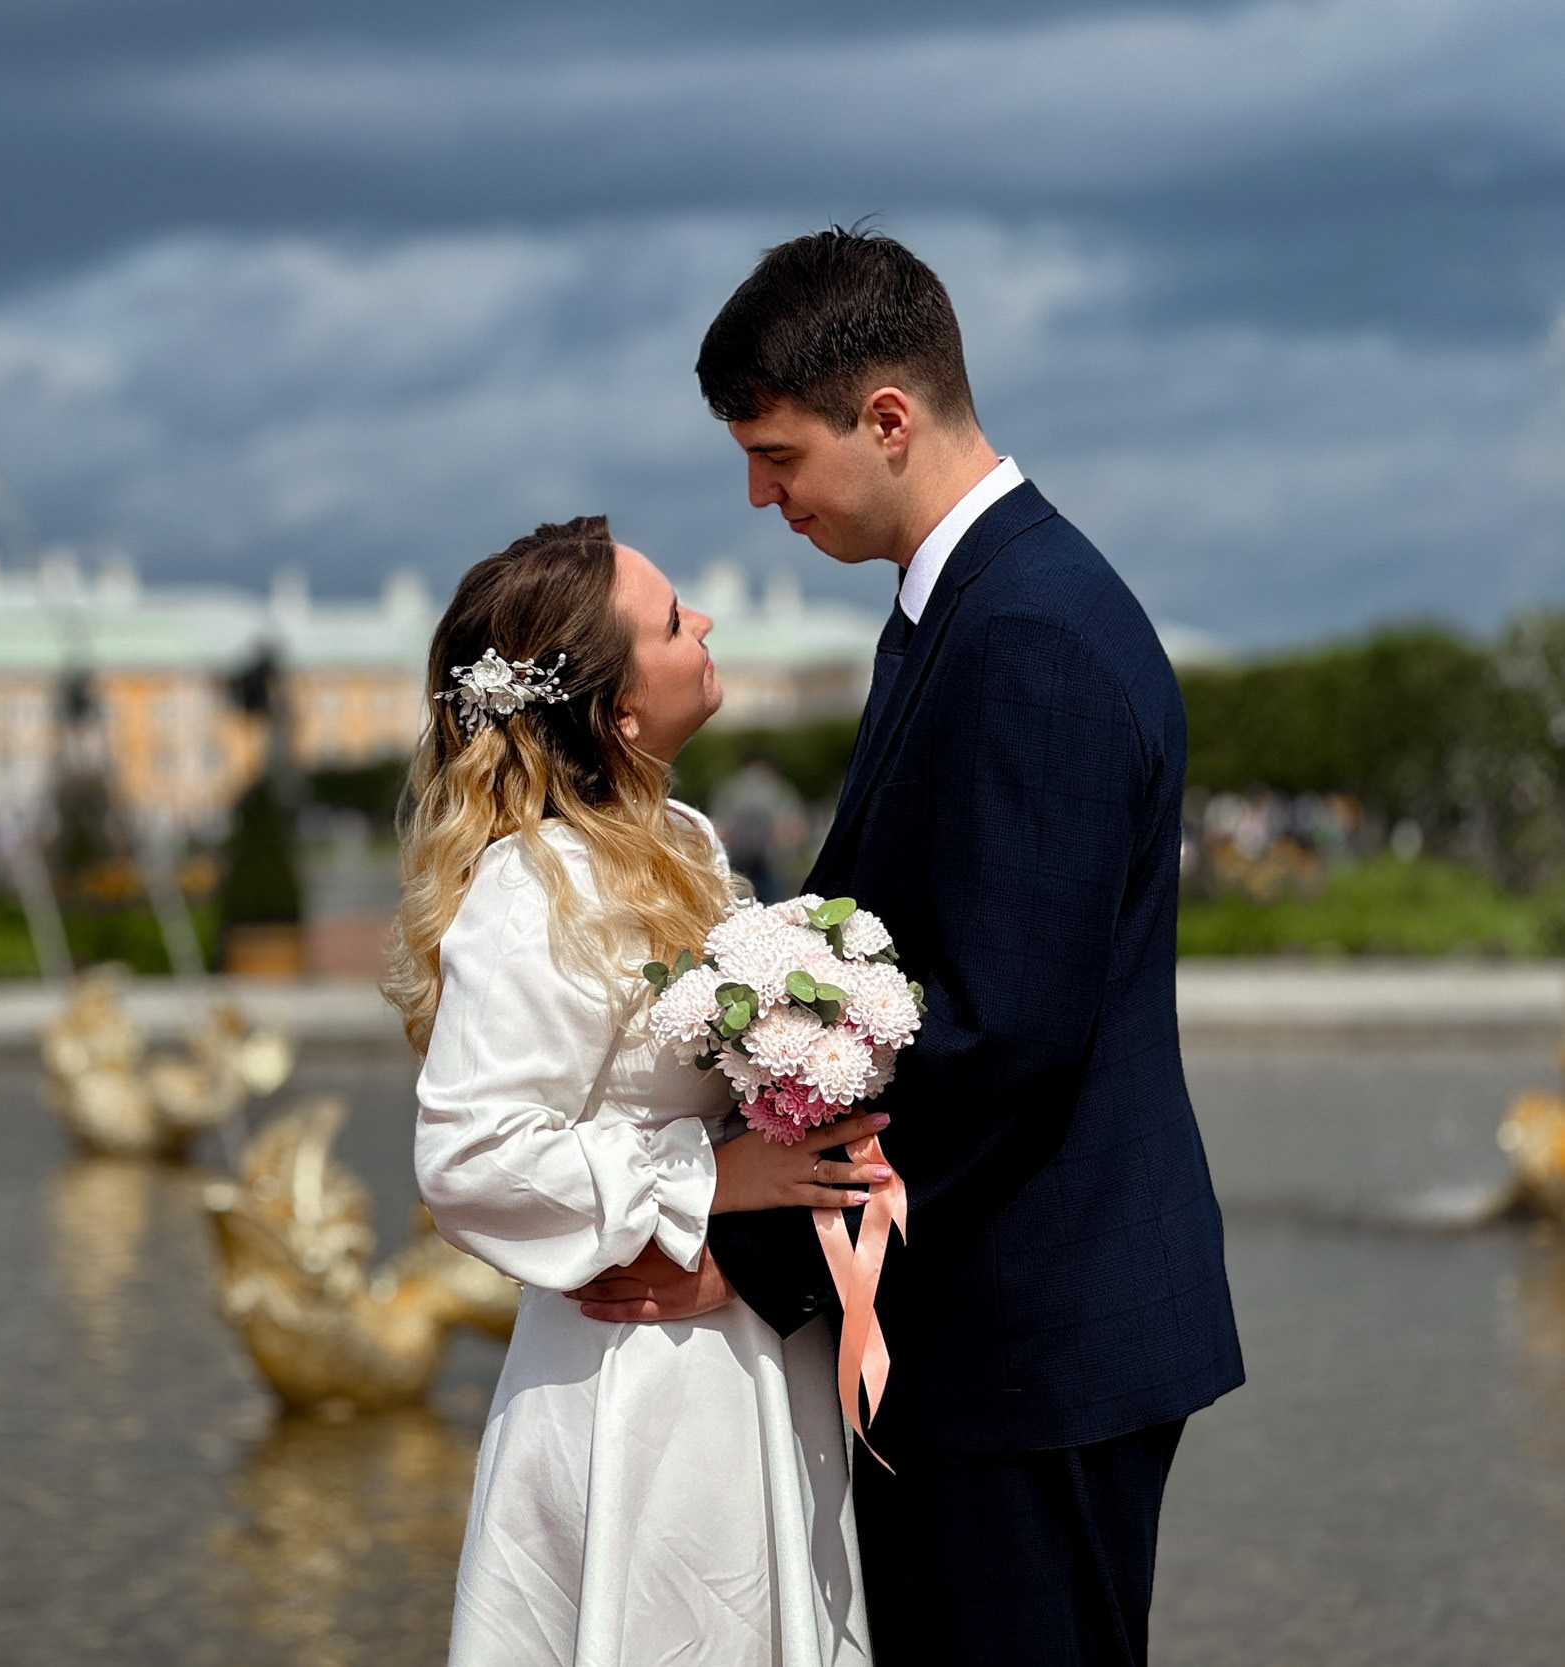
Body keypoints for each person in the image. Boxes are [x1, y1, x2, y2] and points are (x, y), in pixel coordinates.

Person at [572, 227, 1244, 1665]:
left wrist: (756, 1260)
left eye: (776, 454)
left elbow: (1003, 1030)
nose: (759, 495)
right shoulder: (973, 605)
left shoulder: (1029, 636)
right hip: (1014, 1324)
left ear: (887, 417)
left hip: (1028, 1337)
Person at [400, 516, 882, 1666]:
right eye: (672, 619)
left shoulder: (687, 838)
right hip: (635, 1377)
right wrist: (707, 1173)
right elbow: (467, 1154)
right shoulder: (535, 883)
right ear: (615, 708)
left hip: (738, 1343)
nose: (703, 622)